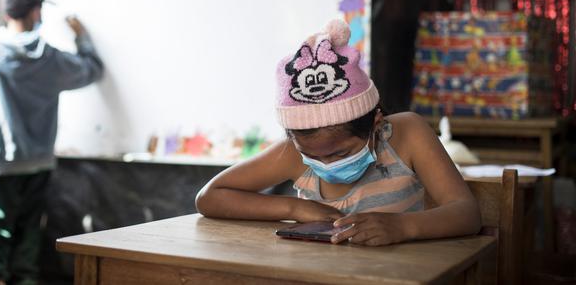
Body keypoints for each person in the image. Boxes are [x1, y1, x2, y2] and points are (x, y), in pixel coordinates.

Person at [196, 19, 480, 246]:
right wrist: (294, 209)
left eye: (341, 153)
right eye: (311, 156)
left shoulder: (408, 134)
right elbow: (210, 197)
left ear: (375, 123)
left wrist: (404, 226)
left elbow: (466, 212)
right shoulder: (293, 154)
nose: (326, 165)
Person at [0, 0, 104, 285]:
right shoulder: (50, 57)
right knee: (29, 239)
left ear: (7, 13)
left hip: (1, 166)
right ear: (35, 11)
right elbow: (91, 69)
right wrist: (83, 37)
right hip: (39, 165)